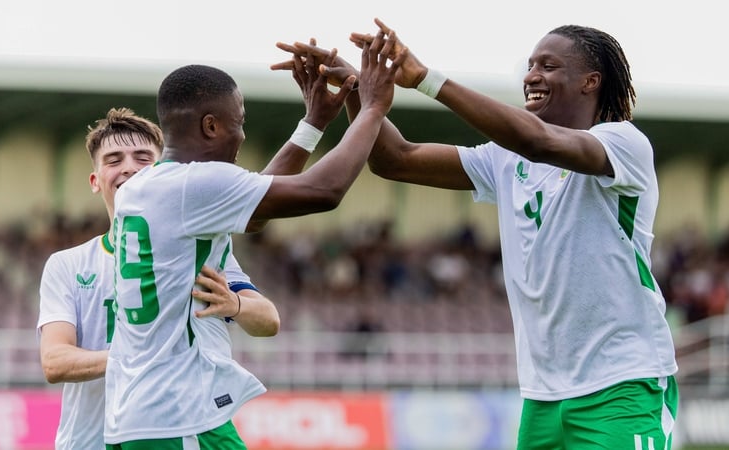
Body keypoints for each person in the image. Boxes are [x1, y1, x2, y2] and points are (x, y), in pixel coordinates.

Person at [275, 18, 679, 449]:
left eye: (549, 65)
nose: (531, 76)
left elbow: (540, 142)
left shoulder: (623, 144)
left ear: (590, 81)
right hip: (543, 395)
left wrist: (428, 80)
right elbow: (395, 158)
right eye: (529, 65)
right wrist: (359, 87)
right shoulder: (505, 159)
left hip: (622, 385)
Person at [105, 33, 405, 448]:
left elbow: (258, 206)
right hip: (177, 415)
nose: (242, 135)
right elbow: (325, 190)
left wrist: (313, 124)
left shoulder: (143, 188)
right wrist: (371, 108)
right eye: (239, 122)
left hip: (154, 411)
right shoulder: (197, 185)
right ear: (211, 126)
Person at [37, 108, 280, 449]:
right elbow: (55, 361)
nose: (129, 167)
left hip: (178, 428)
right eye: (113, 159)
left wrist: (236, 304)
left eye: (142, 157)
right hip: (88, 441)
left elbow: (268, 321)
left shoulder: (190, 252)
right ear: (95, 181)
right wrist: (144, 357)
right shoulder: (68, 264)